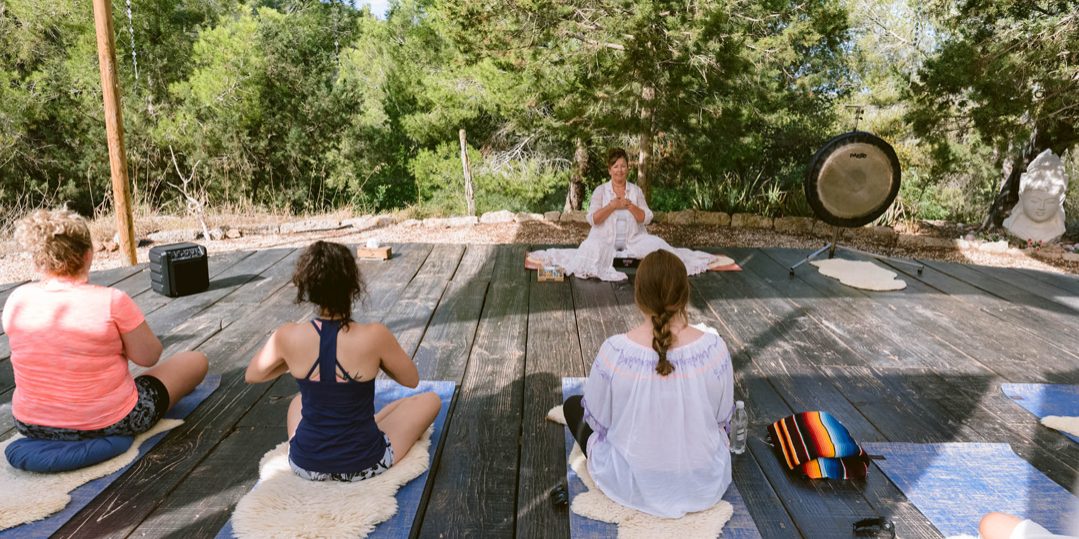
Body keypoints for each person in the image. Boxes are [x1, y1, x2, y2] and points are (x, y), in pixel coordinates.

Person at [3, 208, 208, 441]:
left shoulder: (17, 300)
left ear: (37, 260)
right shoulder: (112, 300)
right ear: (88, 255)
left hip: (30, 424)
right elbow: (149, 357)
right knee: (196, 361)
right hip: (115, 421)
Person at [245, 240, 441, 482]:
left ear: (308, 288)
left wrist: (292, 363)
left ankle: (369, 425)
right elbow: (411, 380)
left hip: (305, 465)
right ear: (352, 286)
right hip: (365, 463)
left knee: (299, 401)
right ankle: (369, 427)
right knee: (430, 400)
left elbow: (253, 375)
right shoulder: (375, 336)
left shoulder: (287, 336)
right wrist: (377, 361)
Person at [562, 249, 735, 517]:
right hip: (701, 481)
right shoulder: (715, 349)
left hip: (632, 482)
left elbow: (600, 422)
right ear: (685, 295)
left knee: (573, 406)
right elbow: (722, 419)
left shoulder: (615, 352)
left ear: (638, 296)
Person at [526, 147, 734, 281]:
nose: (620, 170)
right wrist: (613, 206)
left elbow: (646, 217)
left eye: (623, 166)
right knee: (583, 259)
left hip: (634, 241)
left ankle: (702, 262)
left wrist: (629, 205)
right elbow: (593, 219)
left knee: (661, 248)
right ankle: (549, 272)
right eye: (615, 167)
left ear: (628, 169)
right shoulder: (600, 191)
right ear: (609, 170)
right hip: (604, 241)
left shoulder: (634, 191)